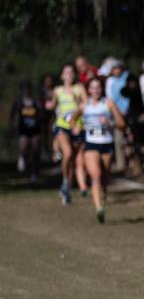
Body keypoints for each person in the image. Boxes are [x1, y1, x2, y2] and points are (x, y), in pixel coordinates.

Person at [71, 76, 126, 223]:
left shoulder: (109, 104)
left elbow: (121, 123)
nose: (96, 90)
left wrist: (109, 123)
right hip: (91, 145)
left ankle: (103, 195)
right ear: (88, 90)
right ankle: (99, 209)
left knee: (105, 178)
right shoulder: (84, 105)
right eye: (93, 87)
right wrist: (75, 127)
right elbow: (73, 119)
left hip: (106, 144)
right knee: (95, 175)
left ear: (102, 89)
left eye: (98, 87)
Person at [46, 64, 88, 205]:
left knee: (73, 161)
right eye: (66, 72)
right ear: (62, 75)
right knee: (68, 154)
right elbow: (53, 105)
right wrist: (49, 105)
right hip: (62, 126)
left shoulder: (79, 88)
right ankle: (65, 181)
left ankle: (67, 189)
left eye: (71, 72)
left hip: (77, 127)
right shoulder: (57, 90)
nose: (69, 74)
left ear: (74, 75)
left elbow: (86, 104)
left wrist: (78, 101)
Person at [10, 81, 43, 181]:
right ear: (22, 90)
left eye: (28, 89)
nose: (26, 91)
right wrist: (12, 126)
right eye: (24, 89)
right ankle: (22, 160)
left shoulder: (36, 102)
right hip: (23, 130)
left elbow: (41, 114)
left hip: (35, 130)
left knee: (35, 151)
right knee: (24, 148)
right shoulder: (18, 102)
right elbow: (12, 115)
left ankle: (35, 172)